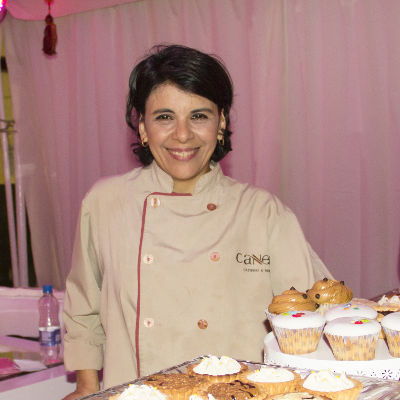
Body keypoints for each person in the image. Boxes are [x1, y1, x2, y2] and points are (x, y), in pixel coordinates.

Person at [62, 44, 331, 399]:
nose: (183, 135)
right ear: (142, 126)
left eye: (199, 116)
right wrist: (86, 386)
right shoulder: (105, 203)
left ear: (221, 123)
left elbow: (311, 320)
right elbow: (84, 306)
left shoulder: (262, 212)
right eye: (164, 117)